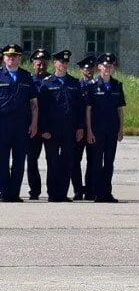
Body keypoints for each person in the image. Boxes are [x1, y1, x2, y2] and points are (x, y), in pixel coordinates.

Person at [37, 50, 85, 203]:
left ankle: (62, 193)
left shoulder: (74, 83)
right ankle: (52, 193)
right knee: (52, 161)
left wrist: (80, 128)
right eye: (61, 62)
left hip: (69, 129)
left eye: (66, 62)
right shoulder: (47, 83)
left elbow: (79, 108)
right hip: (51, 130)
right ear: (55, 63)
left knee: (67, 161)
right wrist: (43, 129)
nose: (63, 64)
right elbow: (41, 109)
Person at [1, 45, 39, 203]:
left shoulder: (26, 77)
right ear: (3, 58)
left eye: (15, 55)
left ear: (20, 58)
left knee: (19, 160)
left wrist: (34, 123)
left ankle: (14, 193)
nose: (12, 58)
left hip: (21, 124)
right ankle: (3, 191)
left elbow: (34, 102)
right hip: (2, 124)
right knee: (1, 159)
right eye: (8, 56)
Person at [85, 54, 126, 203]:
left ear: (113, 68)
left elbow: (120, 110)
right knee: (96, 161)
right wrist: (89, 130)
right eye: (105, 65)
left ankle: (107, 192)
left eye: (110, 66)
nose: (107, 68)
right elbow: (88, 110)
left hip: (112, 129)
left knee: (109, 162)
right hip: (97, 129)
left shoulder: (117, 85)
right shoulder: (92, 85)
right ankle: (97, 193)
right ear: (99, 67)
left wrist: (121, 129)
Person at [25, 47, 50, 200]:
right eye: (38, 64)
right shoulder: (28, 81)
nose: (41, 67)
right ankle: (34, 191)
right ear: (33, 64)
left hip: (48, 128)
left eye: (44, 64)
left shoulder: (52, 80)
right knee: (31, 160)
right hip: (32, 128)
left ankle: (54, 190)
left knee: (52, 161)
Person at [71, 55, 97, 200]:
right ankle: (78, 190)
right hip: (78, 128)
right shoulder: (76, 85)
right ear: (81, 69)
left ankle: (90, 190)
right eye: (86, 68)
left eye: (91, 67)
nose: (89, 70)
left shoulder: (97, 85)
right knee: (75, 160)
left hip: (93, 128)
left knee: (92, 161)